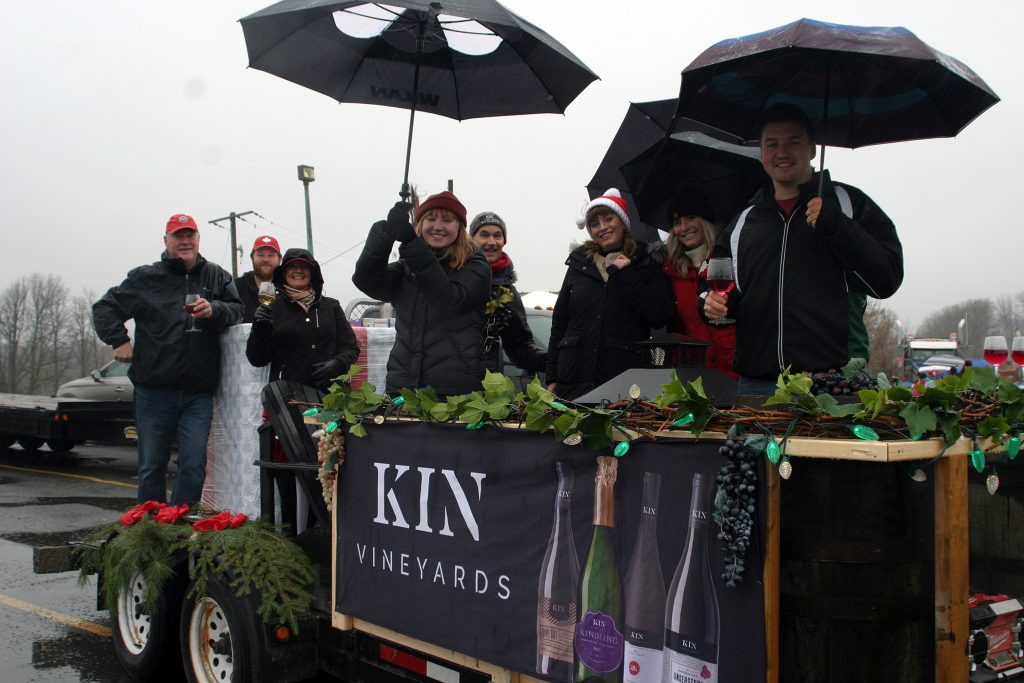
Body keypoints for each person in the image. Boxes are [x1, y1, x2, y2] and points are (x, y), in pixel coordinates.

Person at [703, 104, 904, 394]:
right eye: (772, 144)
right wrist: (709, 305)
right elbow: (722, 291)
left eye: (793, 142)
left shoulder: (849, 204)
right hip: (757, 387)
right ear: (761, 154)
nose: (782, 152)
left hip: (833, 387)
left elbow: (886, 280)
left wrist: (837, 225)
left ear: (812, 149)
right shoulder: (744, 221)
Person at [93, 213, 242, 504]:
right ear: (166, 241)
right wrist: (119, 339)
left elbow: (237, 309)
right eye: (178, 236)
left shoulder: (217, 276)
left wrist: (215, 309)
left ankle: (179, 525)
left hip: (197, 392)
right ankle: (150, 528)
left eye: (190, 235)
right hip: (154, 389)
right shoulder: (146, 278)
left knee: (194, 465)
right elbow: (104, 308)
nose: (185, 241)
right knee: (151, 466)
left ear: (198, 239)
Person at [352, 191, 490, 396]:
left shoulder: (476, 266)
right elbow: (368, 281)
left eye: (447, 220)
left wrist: (412, 244)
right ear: (420, 225)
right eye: (431, 219)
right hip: (404, 385)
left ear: (459, 228)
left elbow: (449, 300)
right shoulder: (407, 268)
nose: (438, 226)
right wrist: (385, 234)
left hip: (455, 389)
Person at [546, 188, 675, 401]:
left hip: (623, 382)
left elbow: (660, 315)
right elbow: (559, 323)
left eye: (608, 219)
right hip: (573, 382)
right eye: (594, 224)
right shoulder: (579, 264)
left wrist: (627, 276)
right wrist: (551, 376)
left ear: (623, 222)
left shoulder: (645, 263)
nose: (602, 227)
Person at [245, 247, 359, 392]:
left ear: (312, 273)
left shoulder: (331, 306)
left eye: (304, 267)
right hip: (287, 396)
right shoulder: (272, 308)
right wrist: (259, 328)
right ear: (283, 272)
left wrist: (338, 363)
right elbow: (257, 359)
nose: (298, 270)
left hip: (330, 396)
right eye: (292, 266)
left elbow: (351, 347)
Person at [657, 189, 737, 379]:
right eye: (677, 222)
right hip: (698, 378)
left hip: (737, 372)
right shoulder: (671, 272)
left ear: (705, 220)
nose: (684, 227)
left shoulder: (730, 259)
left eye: (690, 217)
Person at [469, 211, 547, 376]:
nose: (491, 242)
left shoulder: (507, 292)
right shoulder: (452, 276)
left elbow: (519, 345)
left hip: (484, 386)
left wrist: (551, 361)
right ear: (471, 239)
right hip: (440, 383)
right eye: (484, 235)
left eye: (497, 235)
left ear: (504, 241)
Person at [234, 235, 282, 323]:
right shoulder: (235, 287)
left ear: (279, 259)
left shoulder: (287, 290)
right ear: (252, 258)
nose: (266, 259)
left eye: (271, 255)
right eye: (260, 255)